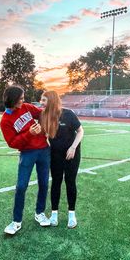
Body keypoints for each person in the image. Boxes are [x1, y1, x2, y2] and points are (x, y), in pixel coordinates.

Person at [0, 85, 51, 235]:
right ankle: (16, 221)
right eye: (21, 98)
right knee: (21, 186)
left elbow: (42, 113)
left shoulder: (27, 107)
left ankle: (39, 213)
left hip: (43, 150)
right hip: (27, 154)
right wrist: (29, 134)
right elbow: (12, 143)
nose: (23, 100)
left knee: (43, 183)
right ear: (13, 100)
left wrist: (43, 126)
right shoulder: (5, 120)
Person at [39, 90, 84, 228]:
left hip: (71, 155)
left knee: (70, 182)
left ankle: (71, 215)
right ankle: (54, 214)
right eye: (41, 100)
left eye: (44, 100)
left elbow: (81, 131)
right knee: (56, 183)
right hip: (55, 155)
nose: (41, 102)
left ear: (51, 101)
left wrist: (73, 147)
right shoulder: (44, 115)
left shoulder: (68, 114)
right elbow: (44, 135)